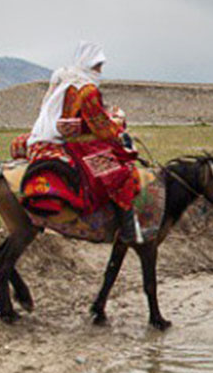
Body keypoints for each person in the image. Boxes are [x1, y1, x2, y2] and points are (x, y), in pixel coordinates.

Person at [25, 41, 142, 240]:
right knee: (121, 173)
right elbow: (102, 128)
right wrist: (118, 119)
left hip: (50, 136)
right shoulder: (87, 90)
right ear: (90, 64)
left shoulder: (65, 78)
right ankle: (129, 230)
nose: (100, 70)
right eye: (98, 65)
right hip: (79, 145)